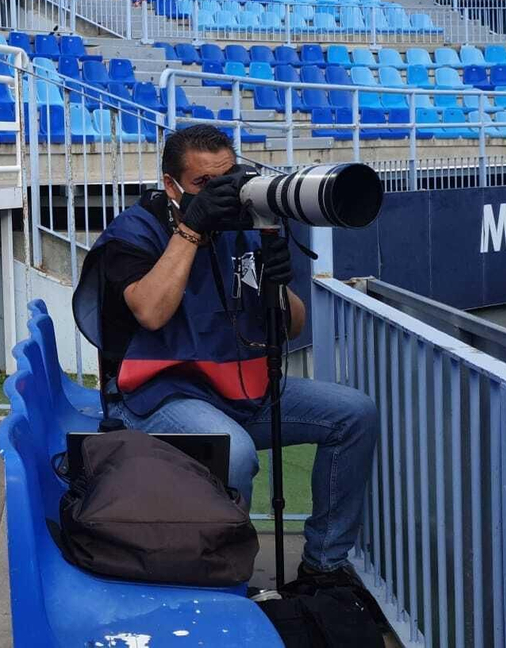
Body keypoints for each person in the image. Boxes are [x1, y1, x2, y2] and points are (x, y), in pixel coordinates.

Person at [72, 124, 379, 589]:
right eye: (202, 185)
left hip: (239, 388)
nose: (219, 193)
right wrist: (193, 228)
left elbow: (291, 327)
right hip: (153, 398)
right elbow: (151, 312)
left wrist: (279, 280)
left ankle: (324, 568)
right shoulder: (133, 231)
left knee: (354, 413)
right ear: (170, 184)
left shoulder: (246, 224)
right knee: (232, 451)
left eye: (227, 177)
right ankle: (228, 579)